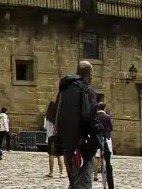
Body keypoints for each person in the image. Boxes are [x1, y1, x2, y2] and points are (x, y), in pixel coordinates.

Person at [55, 60, 100, 189]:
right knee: (83, 184)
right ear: (89, 74)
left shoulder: (64, 89)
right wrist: (98, 129)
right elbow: (89, 116)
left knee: (73, 183)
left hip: (66, 146)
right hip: (81, 146)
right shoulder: (87, 89)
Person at [93, 101, 113, 187]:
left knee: (97, 157)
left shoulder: (95, 116)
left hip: (97, 139)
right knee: (105, 158)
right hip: (106, 138)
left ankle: (95, 175)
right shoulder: (107, 117)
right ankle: (105, 176)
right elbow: (111, 128)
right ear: (104, 108)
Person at [46, 99, 65, 177]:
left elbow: (45, 127)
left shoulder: (47, 118)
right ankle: (61, 173)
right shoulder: (57, 118)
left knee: (51, 155)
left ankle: (51, 172)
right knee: (60, 155)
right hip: (58, 137)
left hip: (50, 138)